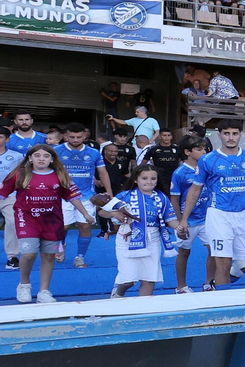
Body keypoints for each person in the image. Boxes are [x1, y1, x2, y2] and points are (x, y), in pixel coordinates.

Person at [179, 119, 245, 289]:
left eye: (235, 133)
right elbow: (194, 191)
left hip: (244, 215)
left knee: (244, 265)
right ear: (219, 135)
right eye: (226, 133)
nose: (231, 137)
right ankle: (222, 303)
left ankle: (216, 286)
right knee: (223, 262)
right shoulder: (207, 160)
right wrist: (184, 219)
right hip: (219, 215)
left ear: (240, 135)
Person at [2, 144, 94, 303]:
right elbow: (3, 192)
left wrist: (85, 213)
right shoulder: (20, 174)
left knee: (49, 256)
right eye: (37, 156)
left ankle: (44, 291)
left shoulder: (60, 175)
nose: (41, 159)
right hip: (27, 219)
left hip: (52, 221)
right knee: (29, 254)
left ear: (52, 159)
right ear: (30, 158)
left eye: (45, 156)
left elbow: (72, 196)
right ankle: (24, 284)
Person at [103, 164, 181, 298]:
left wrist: (179, 227)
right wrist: (117, 214)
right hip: (128, 238)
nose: (149, 182)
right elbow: (103, 212)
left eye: (153, 179)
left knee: (149, 277)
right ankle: (117, 295)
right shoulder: (125, 195)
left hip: (153, 238)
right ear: (135, 180)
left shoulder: (162, 198)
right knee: (128, 279)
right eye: (144, 178)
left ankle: (144, 306)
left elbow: (170, 219)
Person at [54, 123, 110, 268]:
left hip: (86, 195)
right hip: (63, 195)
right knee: (62, 227)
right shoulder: (56, 151)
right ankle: (61, 244)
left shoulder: (94, 152)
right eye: (71, 137)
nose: (75, 139)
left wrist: (109, 192)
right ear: (65, 136)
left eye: (79, 137)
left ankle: (80, 257)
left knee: (84, 226)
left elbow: (102, 172)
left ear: (84, 136)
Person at [170, 135, 214, 294]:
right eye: (199, 149)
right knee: (184, 252)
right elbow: (174, 199)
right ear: (187, 152)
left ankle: (209, 283)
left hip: (207, 218)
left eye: (205, 149)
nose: (204, 152)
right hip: (188, 220)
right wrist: (180, 221)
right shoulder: (180, 173)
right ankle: (181, 286)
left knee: (213, 250)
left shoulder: (207, 168)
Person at [3, 110, 46, 270]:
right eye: (20, 120)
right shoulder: (10, 140)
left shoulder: (42, 138)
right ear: (15, 122)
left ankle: (45, 250)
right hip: (16, 185)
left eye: (27, 119)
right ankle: (14, 256)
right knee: (16, 220)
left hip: (39, 182)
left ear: (32, 120)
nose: (24, 122)